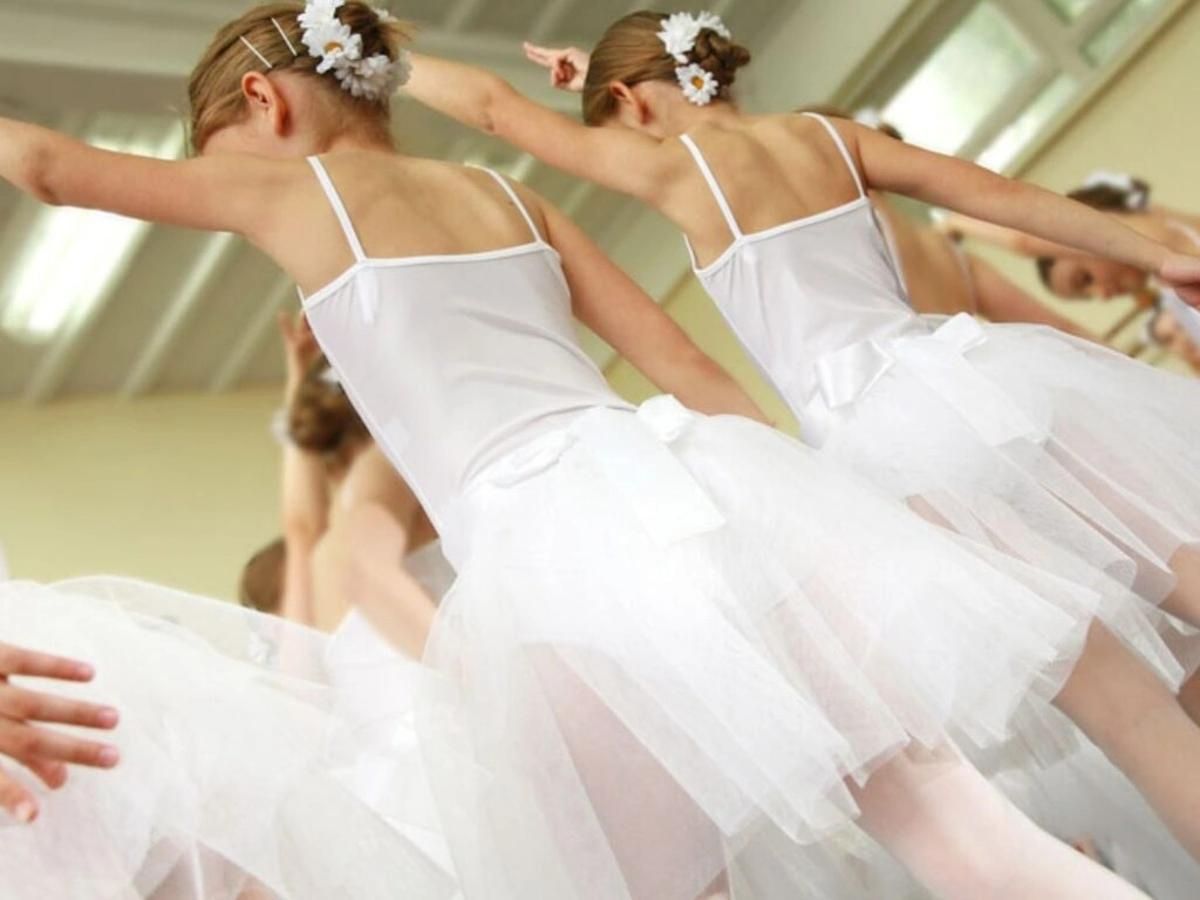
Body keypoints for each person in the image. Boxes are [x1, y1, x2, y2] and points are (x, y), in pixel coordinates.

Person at [0, 3, 1159, 897]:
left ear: (266, 101)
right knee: (953, 825)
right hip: (694, 495)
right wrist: (819, 519)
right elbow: (690, 372)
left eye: (224, 150)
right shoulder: (510, 199)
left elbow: (52, 169)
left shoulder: (302, 202)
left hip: (555, 567)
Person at [399, 10, 1200, 859]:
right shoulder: (829, 135)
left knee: (1116, 705)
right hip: (988, 383)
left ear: (633, 101)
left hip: (894, 450)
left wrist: (382, 50)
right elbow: (991, 192)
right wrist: (1155, 256)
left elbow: (491, 108)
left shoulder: (678, 174)